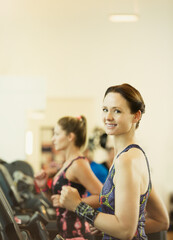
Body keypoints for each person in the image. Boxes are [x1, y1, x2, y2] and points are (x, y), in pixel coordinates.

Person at [58, 83, 170, 240]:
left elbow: (125, 230)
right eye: (105, 110)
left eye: (117, 111)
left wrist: (78, 206)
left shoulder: (127, 161)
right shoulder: (134, 155)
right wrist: (107, 227)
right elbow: (161, 221)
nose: (108, 117)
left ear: (136, 116)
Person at [34, 115, 102, 240]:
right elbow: (59, 203)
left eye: (57, 134)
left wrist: (75, 203)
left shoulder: (78, 164)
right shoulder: (67, 163)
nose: (53, 138)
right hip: (67, 233)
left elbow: (102, 196)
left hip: (79, 233)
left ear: (70, 136)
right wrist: (43, 187)